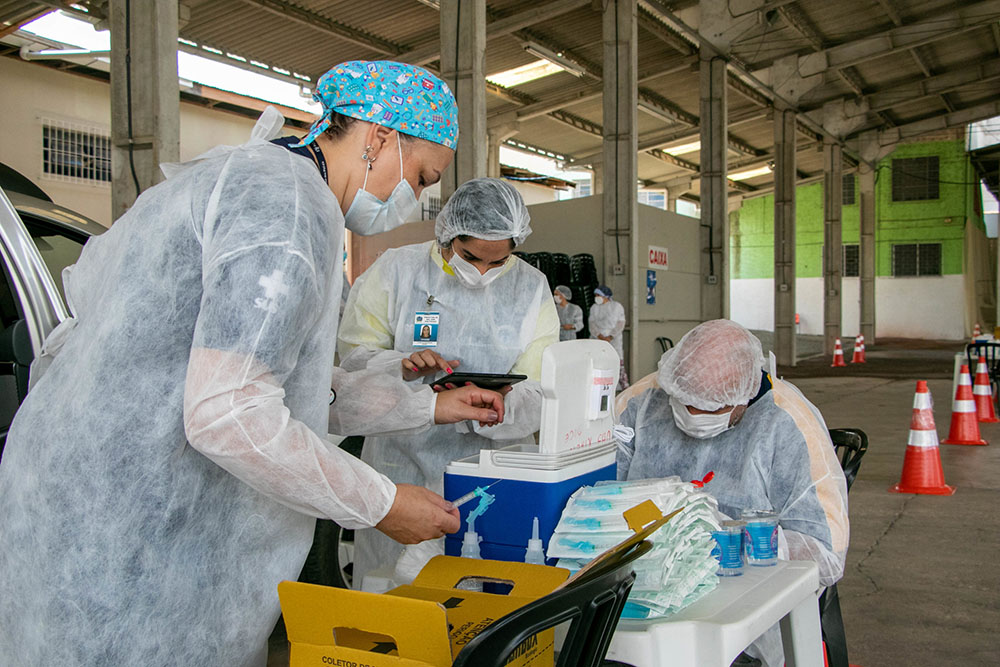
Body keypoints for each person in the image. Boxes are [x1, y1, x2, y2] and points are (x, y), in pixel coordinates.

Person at [0, 60, 487, 666]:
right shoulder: (285, 211)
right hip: (132, 512)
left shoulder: (260, 182)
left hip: (92, 484)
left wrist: (427, 404)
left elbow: (276, 383)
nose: (414, 198)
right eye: (420, 177)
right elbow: (231, 412)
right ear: (380, 138)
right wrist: (381, 502)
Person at [338, 177, 559, 585]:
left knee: (484, 592)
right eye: (470, 256)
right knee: (393, 592)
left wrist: (495, 407)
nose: (480, 272)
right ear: (446, 234)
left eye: (497, 262)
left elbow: (542, 387)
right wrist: (401, 365)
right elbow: (352, 363)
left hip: (492, 472)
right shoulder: (397, 271)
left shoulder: (531, 288)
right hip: (400, 463)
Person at [616, 319, 849, 667]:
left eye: (711, 409)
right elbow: (595, 485)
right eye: (683, 403)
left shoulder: (788, 424)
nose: (694, 417)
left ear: (744, 397)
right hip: (640, 590)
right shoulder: (644, 400)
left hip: (742, 613)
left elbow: (826, 553)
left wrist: (731, 539)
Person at [589, 284, 629, 389]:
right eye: (595, 295)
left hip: (614, 341)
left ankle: (622, 388)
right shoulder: (594, 308)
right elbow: (592, 324)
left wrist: (610, 337)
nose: (596, 297)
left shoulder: (616, 306)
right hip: (598, 340)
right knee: (599, 364)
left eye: (598, 295)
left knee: (617, 364)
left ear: (605, 295)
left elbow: (620, 324)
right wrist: (600, 336)